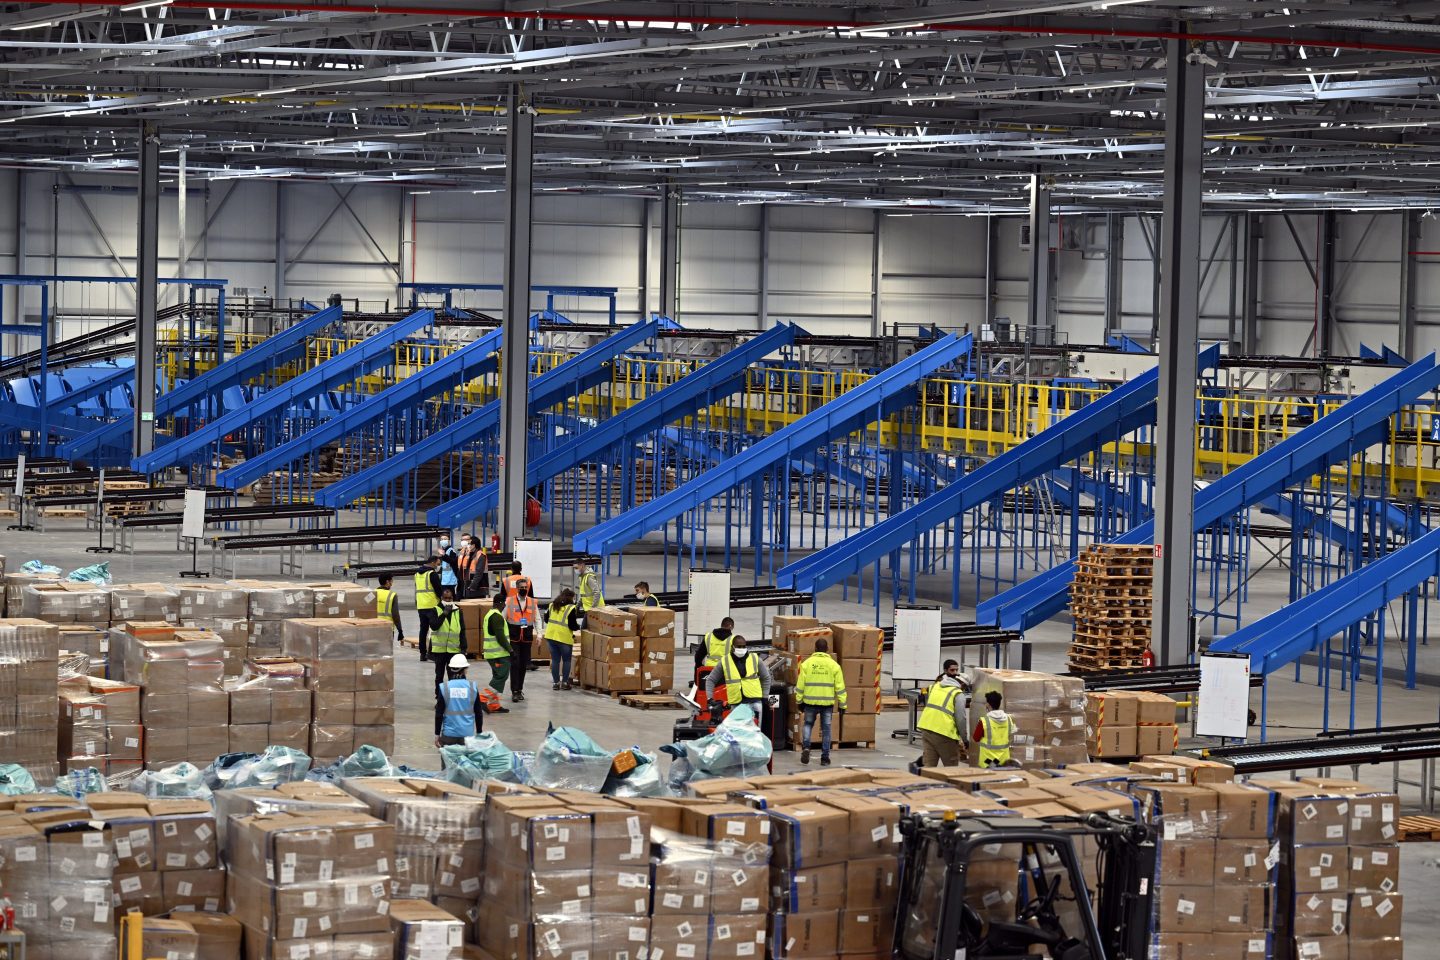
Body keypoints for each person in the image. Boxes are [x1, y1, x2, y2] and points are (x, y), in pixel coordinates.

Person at [795, 637, 847, 766]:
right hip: (827, 704)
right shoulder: (834, 665)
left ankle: (806, 747)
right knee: (826, 730)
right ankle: (825, 758)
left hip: (810, 702)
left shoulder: (807, 664)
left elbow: (800, 685)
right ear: (827, 650)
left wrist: (799, 701)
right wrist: (842, 704)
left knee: (807, 725)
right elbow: (840, 687)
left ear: (815, 649)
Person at [704, 634, 772, 718]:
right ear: (733, 647)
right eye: (739, 647)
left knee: (753, 730)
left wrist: (765, 696)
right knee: (738, 730)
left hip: (754, 702)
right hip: (736, 704)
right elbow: (710, 680)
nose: (742, 649)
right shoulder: (725, 661)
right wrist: (709, 698)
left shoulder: (755, 658)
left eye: (744, 646)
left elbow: (766, 678)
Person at [916, 659, 967, 767]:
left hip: (927, 728)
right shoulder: (958, 694)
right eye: (952, 670)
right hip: (944, 733)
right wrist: (965, 739)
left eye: (956, 670)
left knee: (929, 767)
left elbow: (926, 698)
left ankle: (926, 783)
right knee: (951, 768)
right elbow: (961, 718)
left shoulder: (935, 686)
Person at [503, 573, 539, 702]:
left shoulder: (532, 602)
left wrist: (539, 634)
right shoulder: (510, 601)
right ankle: (514, 691)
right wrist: (504, 636)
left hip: (527, 638)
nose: (524, 589)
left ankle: (519, 689)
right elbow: (503, 618)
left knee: (523, 665)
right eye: (522, 587)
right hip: (514, 637)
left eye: (526, 587)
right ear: (517, 589)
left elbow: (537, 619)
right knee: (515, 664)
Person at [435, 653, 482, 750]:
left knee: (448, 764)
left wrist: (437, 734)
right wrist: (479, 733)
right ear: (465, 670)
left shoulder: (445, 687)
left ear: (451, 669)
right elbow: (478, 713)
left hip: (449, 735)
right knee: (466, 764)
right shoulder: (472, 687)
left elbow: (439, 714)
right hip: (467, 736)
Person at [543, 588, 582, 691]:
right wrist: (579, 627)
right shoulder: (571, 608)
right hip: (564, 638)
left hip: (551, 636)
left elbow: (546, 619)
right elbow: (572, 625)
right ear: (571, 598)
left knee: (555, 660)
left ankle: (556, 683)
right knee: (566, 660)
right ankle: (565, 683)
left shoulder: (552, 605)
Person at [428, 587, 465, 691]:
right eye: (446, 598)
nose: (448, 600)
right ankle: (439, 697)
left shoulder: (458, 610)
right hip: (439, 651)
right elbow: (434, 626)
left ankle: (452, 698)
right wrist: (444, 614)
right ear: (441, 598)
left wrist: (464, 648)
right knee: (439, 676)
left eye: (450, 598)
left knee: (453, 676)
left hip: (453, 650)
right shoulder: (435, 610)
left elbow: (462, 630)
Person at [481, 591, 513, 708]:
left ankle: (494, 705)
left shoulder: (489, 614)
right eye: (504, 603)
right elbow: (500, 636)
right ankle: (483, 699)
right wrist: (510, 650)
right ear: (500, 603)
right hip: (498, 654)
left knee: (497, 677)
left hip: (493, 653)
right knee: (501, 676)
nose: (505, 606)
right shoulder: (497, 617)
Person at [413, 554, 445, 662]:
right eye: (437, 563)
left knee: (423, 629)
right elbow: (438, 590)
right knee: (434, 629)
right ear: (432, 562)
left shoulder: (417, 574)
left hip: (421, 605)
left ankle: (422, 654)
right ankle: (431, 653)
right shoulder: (432, 574)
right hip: (432, 605)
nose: (438, 566)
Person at [972, 691, 1015, 768]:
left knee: (989, 778)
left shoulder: (984, 721)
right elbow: (1012, 734)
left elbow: (976, 738)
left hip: (988, 761)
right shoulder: (1008, 719)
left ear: (988, 705)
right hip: (1003, 759)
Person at [459, 535, 490, 599]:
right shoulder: (468, 554)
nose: (468, 545)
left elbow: (479, 573)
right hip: (468, 586)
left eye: (469, 544)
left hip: (478, 588)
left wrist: (472, 586)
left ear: (474, 545)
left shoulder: (481, 556)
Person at [376, 574, 403, 645]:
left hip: (374, 625)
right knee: (387, 652)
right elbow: (395, 615)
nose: (392, 584)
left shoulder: (372, 593)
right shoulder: (392, 595)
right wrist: (400, 630)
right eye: (391, 581)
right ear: (387, 582)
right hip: (387, 627)